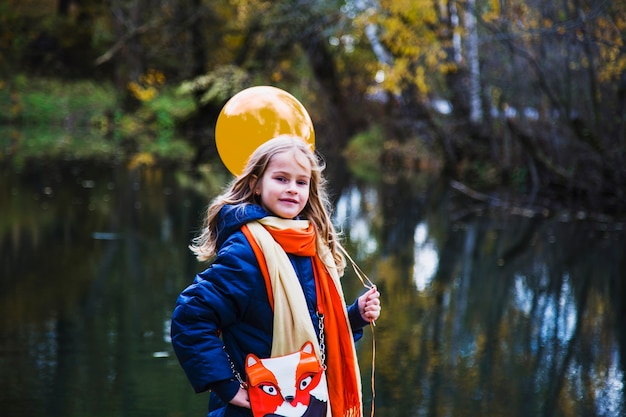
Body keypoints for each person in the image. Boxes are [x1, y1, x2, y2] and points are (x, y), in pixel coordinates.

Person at [171, 135, 381, 417]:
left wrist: (354, 316)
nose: (292, 189)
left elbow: (311, 327)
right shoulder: (246, 250)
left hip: (304, 403)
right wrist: (226, 386)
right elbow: (190, 317)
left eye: (300, 182)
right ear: (256, 184)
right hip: (259, 407)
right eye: (281, 179)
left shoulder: (309, 245)